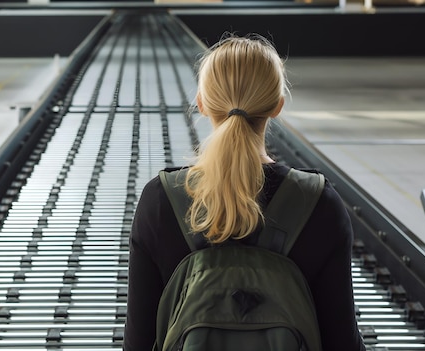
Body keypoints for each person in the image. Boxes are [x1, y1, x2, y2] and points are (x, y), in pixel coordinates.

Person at [123, 34, 366, 351]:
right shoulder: (318, 203)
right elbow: (342, 342)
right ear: (277, 106)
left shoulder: (161, 200)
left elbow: (138, 342)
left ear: (201, 103)